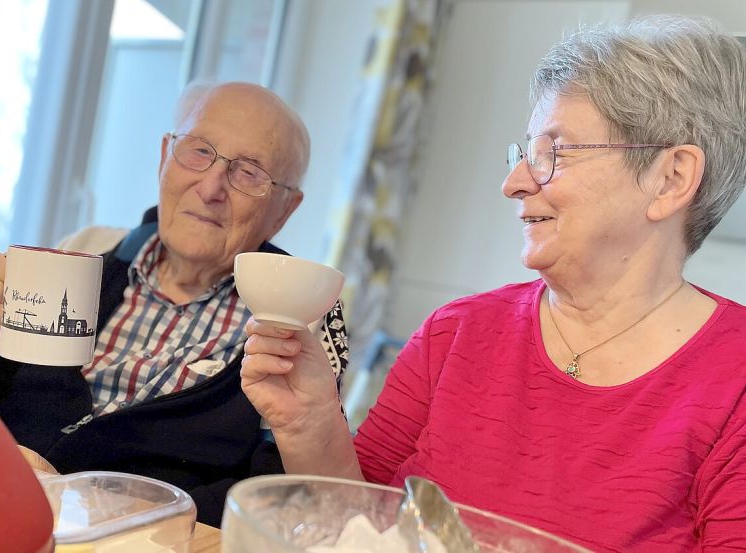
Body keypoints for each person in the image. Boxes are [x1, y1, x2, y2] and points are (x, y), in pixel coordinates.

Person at [241, 15, 746, 551]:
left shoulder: (734, 380)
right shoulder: (456, 333)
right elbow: (358, 527)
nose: (514, 183)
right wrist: (312, 425)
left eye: (556, 154)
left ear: (670, 179)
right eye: (525, 153)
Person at [0, 82, 349, 525]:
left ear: (284, 210)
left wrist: (95, 504)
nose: (211, 187)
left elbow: (282, 501)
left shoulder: (300, 319)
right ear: (166, 156)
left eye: (249, 173)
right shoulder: (85, 252)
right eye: (199, 151)